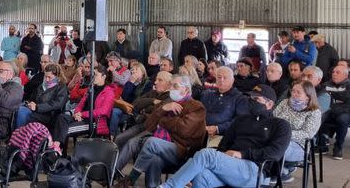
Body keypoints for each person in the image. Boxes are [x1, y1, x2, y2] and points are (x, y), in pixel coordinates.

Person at [159, 85, 291, 188]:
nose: (251, 101)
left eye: (256, 99)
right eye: (250, 98)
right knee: (200, 176)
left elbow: (274, 153)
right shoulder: (241, 120)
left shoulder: (280, 125)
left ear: (269, 104)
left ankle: (169, 186)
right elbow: (224, 145)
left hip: (255, 169)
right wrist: (222, 157)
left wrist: (242, 154)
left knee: (206, 154)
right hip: (230, 167)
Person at [113, 75, 207, 188]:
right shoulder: (169, 102)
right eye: (171, 85)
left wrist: (163, 121)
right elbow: (149, 125)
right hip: (163, 146)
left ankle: (131, 179)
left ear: (186, 89)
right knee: (154, 160)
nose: (171, 88)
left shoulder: (196, 106)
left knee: (152, 142)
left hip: (182, 150)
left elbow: (185, 129)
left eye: (175, 86)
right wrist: (163, 109)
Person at [52, 66, 116, 148]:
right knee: (61, 117)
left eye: (95, 75)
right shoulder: (91, 88)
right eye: (92, 74)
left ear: (103, 77)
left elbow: (103, 110)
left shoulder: (109, 92)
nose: (93, 77)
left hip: (94, 122)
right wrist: (77, 113)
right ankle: (58, 149)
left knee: (65, 129)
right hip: (82, 118)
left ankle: (57, 149)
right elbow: (80, 104)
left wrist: (83, 114)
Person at [274, 80, 322, 182]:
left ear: (308, 96)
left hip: (300, 145)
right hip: (277, 137)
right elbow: (273, 118)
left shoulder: (314, 112)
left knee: (276, 146)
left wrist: (284, 135)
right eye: (293, 91)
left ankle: (279, 171)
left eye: (298, 92)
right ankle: (279, 170)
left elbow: (307, 134)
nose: (294, 94)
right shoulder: (285, 103)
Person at [319, 64, 350, 160]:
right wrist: (338, 99)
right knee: (318, 114)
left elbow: (348, 98)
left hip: (345, 112)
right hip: (331, 111)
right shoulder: (326, 84)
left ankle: (338, 147)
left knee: (343, 119)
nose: (334, 74)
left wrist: (331, 96)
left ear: (345, 75)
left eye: (337, 72)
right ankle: (321, 144)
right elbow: (322, 97)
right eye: (333, 72)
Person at [200, 67, 249, 141]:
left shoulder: (240, 98)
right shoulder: (208, 94)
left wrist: (218, 128)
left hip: (223, 135)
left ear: (232, 80)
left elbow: (240, 120)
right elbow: (199, 112)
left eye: (225, 77)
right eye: (219, 77)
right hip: (201, 131)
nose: (221, 80)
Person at [15, 63, 69, 129]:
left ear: (57, 76)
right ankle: (19, 134)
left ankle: (20, 134)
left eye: (49, 77)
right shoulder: (42, 85)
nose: (47, 79)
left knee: (23, 113)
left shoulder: (61, 87)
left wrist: (37, 107)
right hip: (37, 111)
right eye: (45, 76)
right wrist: (29, 103)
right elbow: (32, 98)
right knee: (18, 109)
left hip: (50, 116)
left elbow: (57, 104)